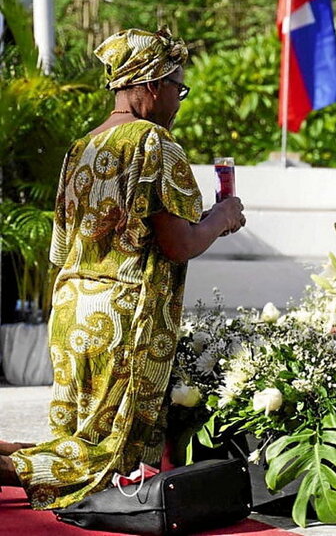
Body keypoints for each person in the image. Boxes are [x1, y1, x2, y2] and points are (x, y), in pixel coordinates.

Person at [0, 28, 246, 509]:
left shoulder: (82, 147)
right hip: (123, 316)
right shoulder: (153, 142)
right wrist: (222, 217)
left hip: (73, 309)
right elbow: (178, 245)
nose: (178, 100)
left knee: (77, 436)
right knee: (101, 457)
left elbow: (62, 248)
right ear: (153, 84)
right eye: (178, 87)